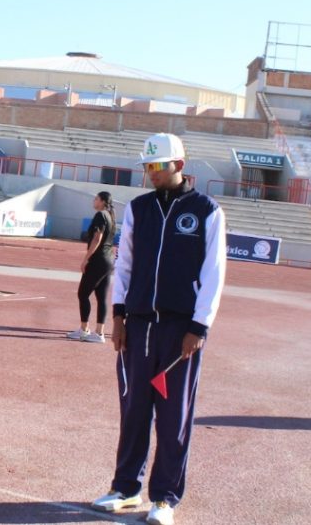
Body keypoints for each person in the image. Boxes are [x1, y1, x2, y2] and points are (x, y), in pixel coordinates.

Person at [91, 133, 227, 525]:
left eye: (157, 166)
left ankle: (164, 499)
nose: (150, 173)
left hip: (181, 328)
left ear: (179, 166)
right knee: (133, 409)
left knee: (174, 416)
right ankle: (125, 488)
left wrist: (199, 326)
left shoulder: (206, 211)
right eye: (147, 166)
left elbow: (213, 273)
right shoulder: (138, 209)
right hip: (138, 326)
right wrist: (117, 317)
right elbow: (126, 264)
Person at [68, 191, 116, 343]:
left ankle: (84, 330)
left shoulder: (101, 215)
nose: (93, 201)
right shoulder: (110, 216)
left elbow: (97, 238)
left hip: (98, 260)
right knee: (101, 297)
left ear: (102, 201)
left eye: (96, 199)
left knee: (83, 294)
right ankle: (99, 333)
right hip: (108, 260)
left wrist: (86, 259)